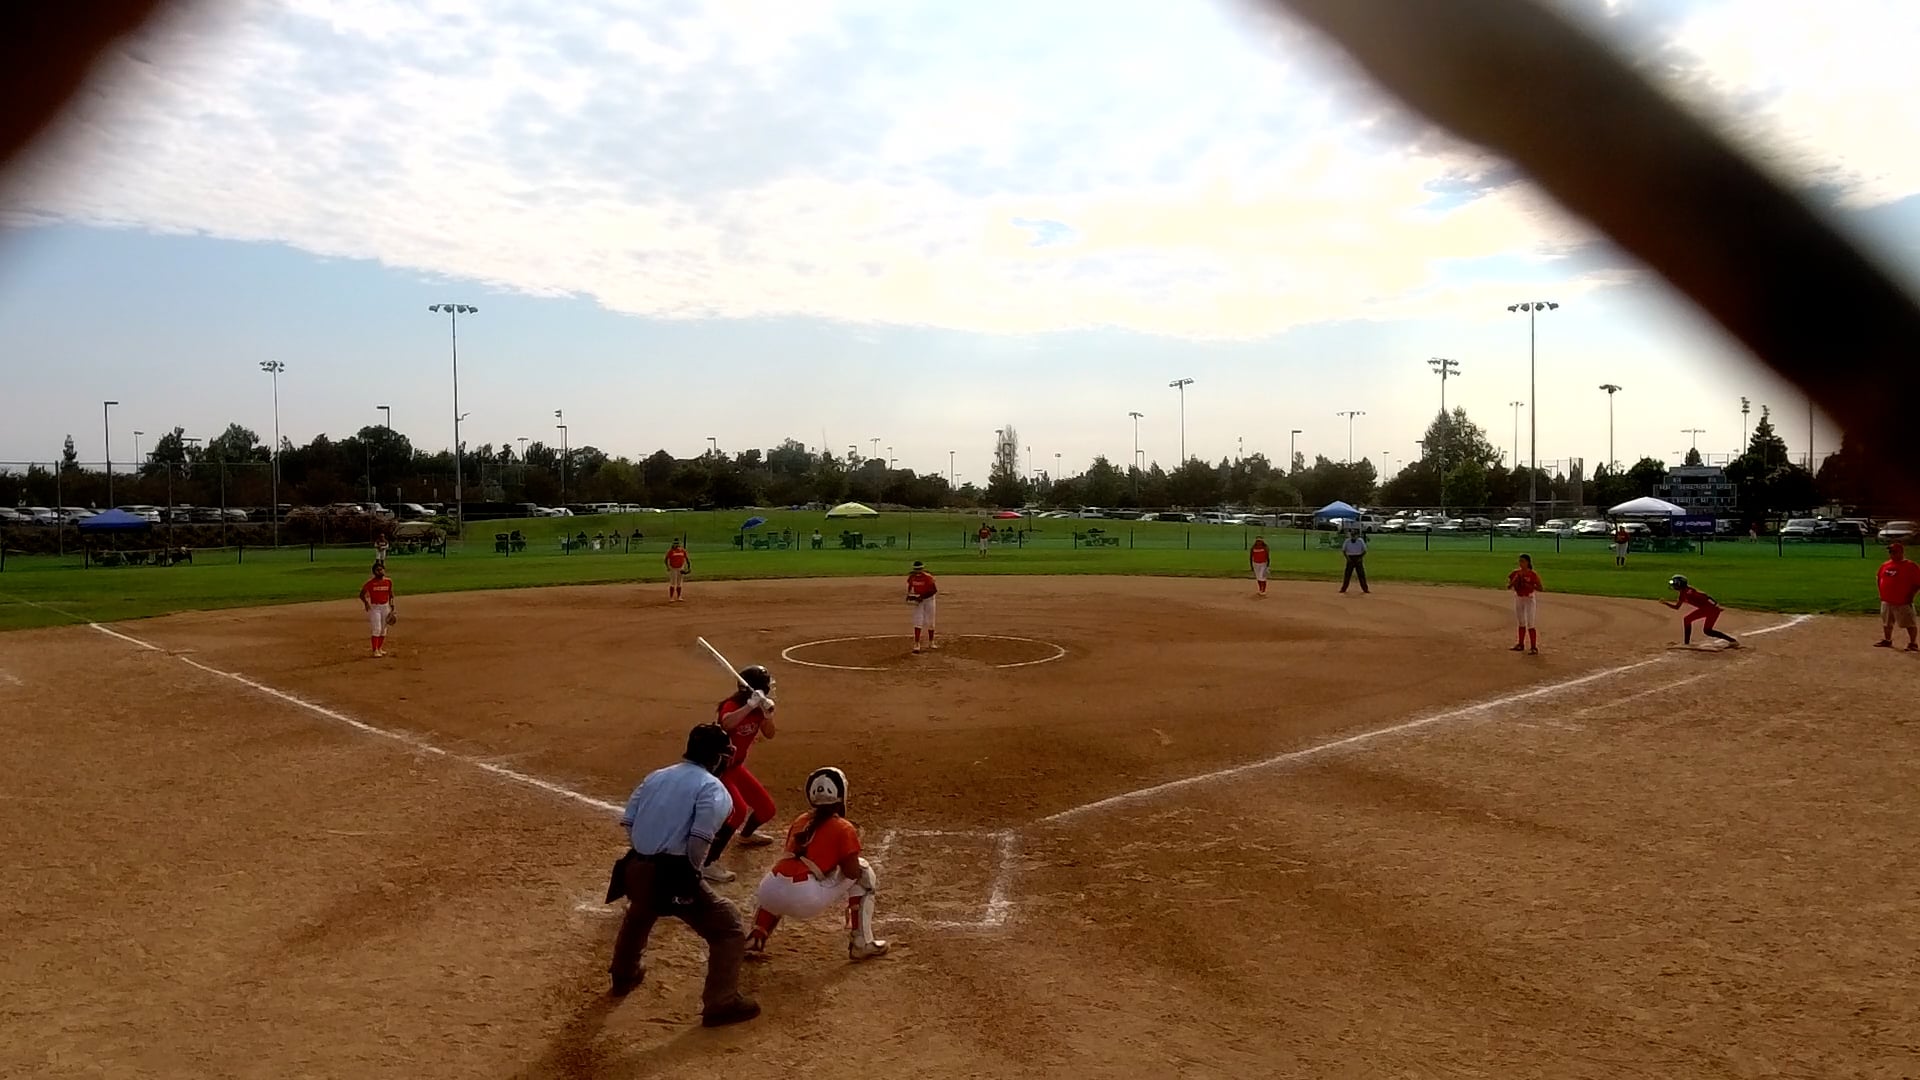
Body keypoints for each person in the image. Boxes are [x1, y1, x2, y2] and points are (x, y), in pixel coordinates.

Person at [605, 723, 760, 1027]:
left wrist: (647, 851)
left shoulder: (656, 776)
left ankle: (623, 974)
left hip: (633, 867)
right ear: (717, 757)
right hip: (672, 872)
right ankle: (721, 1002)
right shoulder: (713, 788)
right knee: (727, 927)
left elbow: (630, 822)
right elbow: (700, 840)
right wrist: (691, 875)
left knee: (640, 910)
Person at [746, 766, 890, 962]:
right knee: (863, 870)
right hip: (804, 898)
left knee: (780, 881)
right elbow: (851, 872)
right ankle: (861, 943)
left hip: (768, 890)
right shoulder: (843, 827)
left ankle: (755, 938)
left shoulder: (800, 820)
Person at [702, 665, 780, 883]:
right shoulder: (732, 705)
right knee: (738, 811)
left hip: (736, 767)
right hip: (719, 768)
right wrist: (749, 706)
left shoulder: (759, 708)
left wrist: (767, 715)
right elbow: (726, 724)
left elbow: (770, 734)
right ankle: (707, 863)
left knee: (766, 809)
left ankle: (745, 836)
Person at [1662, 574, 1739, 648]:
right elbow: (1677, 607)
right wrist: (1665, 603)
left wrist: (1716, 605)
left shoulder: (1690, 592)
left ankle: (1686, 643)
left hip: (1709, 609)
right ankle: (1733, 641)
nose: (1673, 586)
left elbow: (1706, 596)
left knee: (1687, 619)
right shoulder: (1682, 594)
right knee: (1708, 631)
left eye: (1674, 584)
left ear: (1680, 584)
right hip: (1711, 609)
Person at [1875, 541, 1920, 651]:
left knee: (1909, 623)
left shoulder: (1910, 566)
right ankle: (1887, 640)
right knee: (1887, 622)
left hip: (1903, 600)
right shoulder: (1885, 565)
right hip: (1887, 600)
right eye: (1890, 552)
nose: (1892, 554)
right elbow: (1879, 578)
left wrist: (1911, 595)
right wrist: (1881, 592)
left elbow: (1918, 583)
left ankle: (1913, 643)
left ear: (1901, 552)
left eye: (1894, 552)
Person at [358, 562, 395, 658]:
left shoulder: (388, 581)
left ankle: (379, 648)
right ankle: (375, 650)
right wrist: (366, 603)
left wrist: (392, 605)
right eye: (378, 570)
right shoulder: (370, 583)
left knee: (383, 629)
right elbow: (361, 594)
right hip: (375, 608)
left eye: (381, 569)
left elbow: (391, 594)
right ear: (374, 572)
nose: (380, 571)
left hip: (385, 607)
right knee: (377, 628)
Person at [1508, 553, 1542, 654]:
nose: (1520, 563)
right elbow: (1509, 586)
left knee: (1531, 623)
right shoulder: (1516, 573)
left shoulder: (1532, 574)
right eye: (1520, 561)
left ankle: (1534, 647)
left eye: (1522, 561)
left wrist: (1529, 585)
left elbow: (1541, 588)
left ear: (1528, 563)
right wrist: (1514, 582)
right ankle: (1520, 644)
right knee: (1521, 622)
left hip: (1529, 599)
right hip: (1519, 598)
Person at [906, 560, 939, 653]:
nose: (918, 571)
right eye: (916, 569)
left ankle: (931, 642)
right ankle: (917, 644)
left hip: (929, 600)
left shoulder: (928, 577)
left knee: (930, 621)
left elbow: (934, 590)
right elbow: (910, 586)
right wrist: (909, 595)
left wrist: (922, 597)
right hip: (919, 600)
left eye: (919, 569)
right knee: (918, 620)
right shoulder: (912, 577)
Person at [1339, 529, 1370, 594]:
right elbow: (1344, 551)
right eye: (1352, 535)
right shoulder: (1347, 541)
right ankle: (1343, 588)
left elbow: (1364, 551)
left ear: (1357, 535)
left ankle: (1365, 589)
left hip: (1358, 557)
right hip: (1350, 558)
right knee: (1347, 574)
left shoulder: (1360, 541)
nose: (1353, 537)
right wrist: (1347, 558)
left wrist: (1360, 558)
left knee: (1361, 574)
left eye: (1354, 535)